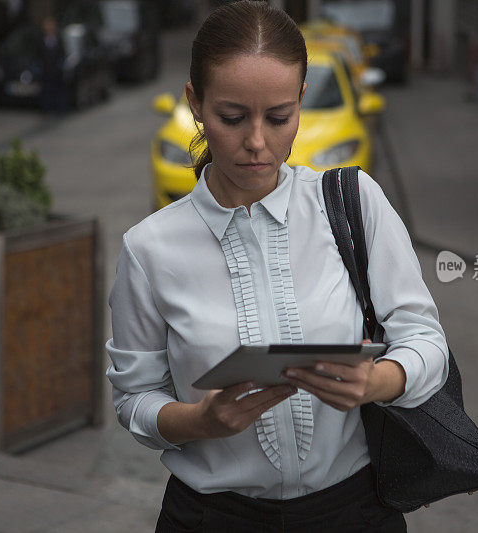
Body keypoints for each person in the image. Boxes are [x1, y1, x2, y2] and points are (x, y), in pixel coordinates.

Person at [105, 2, 449, 531]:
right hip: (211, 517)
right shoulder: (149, 249)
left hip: (354, 512)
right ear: (195, 103)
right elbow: (134, 400)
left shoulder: (355, 202)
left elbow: (425, 340)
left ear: (301, 102)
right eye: (233, 117)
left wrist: (376, 382)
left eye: (279, 117)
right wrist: (200, 420)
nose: (257, 142)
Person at [38, 16, 67, 114]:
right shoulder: (41, 39)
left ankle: (60, 109)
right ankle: (46, 109)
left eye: (51, 25)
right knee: (46, 91)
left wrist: (60, 65)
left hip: (57, 71)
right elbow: (39, 54)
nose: (49, 27)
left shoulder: (59, 39)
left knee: (59, 91)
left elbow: (63, 53)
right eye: (47, 25)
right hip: (46, 71)